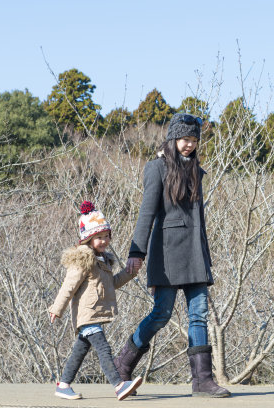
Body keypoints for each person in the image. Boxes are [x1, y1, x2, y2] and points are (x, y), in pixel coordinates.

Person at [113, 113, 231, 398]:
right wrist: (136, 252)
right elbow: (147, 213)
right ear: (173, 138)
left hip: (195, 254)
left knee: (199, 314)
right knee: (161, 314)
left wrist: (205, 252)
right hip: (166, 254)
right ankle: (122, 364)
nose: (189, 144)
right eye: (184, 139)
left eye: (193, 140)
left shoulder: (196, 171)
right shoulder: (156, 168)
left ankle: (202, 381)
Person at [48, 201, 143, 401]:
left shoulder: (103, 261)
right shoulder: (84, 259)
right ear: (88, 239)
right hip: (87, 314)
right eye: (99, 237)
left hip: (94, 314)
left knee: (80, 351)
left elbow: (112, 284)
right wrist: (57, 308)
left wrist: (129, 273)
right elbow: (69, 285)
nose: (104, 240)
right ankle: (118, 385)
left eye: (106, 236)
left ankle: (63, 385)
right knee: (103, 348)